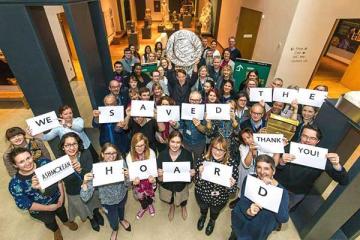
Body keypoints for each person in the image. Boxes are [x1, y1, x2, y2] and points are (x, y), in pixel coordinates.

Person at [8, 147, 78, 240]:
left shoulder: (45, 163)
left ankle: (66, 222)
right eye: (21, 162)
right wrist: (48, 208)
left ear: (32, 155)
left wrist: (61, 195)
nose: (27, 163)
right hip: (40, 209)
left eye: (28, 158)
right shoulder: (15, 184)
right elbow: (25, 204)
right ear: (15, 165)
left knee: (62, 212)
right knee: (49, 221)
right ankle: (56, 230)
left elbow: (58, 179)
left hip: (57, 198)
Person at [275, 124, 348, 210]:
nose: (307, 140)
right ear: (300, 136)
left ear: (317, 141)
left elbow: (344, 181)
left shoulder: (322, 156)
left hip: (296, 194)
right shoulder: (288, 147)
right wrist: (281, 161)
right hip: (277, 185)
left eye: (312, 138)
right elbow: (272, 167)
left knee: (281, 213)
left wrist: (336, 165)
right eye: (304, 136)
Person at [229, 155, 289, 240]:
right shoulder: (249, 179)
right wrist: (248, 211)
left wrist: (274, 192)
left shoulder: (281, 192)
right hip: (240, 221)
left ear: (274, 171)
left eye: (266, 168)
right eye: (259, 167)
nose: (262, 172)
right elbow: (242, 200)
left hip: (258, 230)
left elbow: (283, 218)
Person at [81, 143, 131, 240]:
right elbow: (85, 197)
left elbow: (128, 185)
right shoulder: (96, 169)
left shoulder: (121, 162)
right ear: (102, 154)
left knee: (121, 210)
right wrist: (85, 183)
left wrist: (128, 177)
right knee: (112, 218)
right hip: (107, 202)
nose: (111, 156)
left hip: (122, 195)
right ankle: (115, 229)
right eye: (108, 153)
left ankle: (122, 219)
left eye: (114, 153)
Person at [58, 132, 103, 231]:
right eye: (67, 145)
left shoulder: (86, 153)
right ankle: (91, 219)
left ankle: (96, 213)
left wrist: (80, 170)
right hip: (74, 191)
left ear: (78, 144)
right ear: (63, 147)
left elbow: (90, 174)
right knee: (84, 208)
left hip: (89, 187)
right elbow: (65, 180)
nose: (71, 147)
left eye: (74, 144)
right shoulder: (60, 161)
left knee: (93, 202)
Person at [194, 136, 239, 236]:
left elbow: (232, 192)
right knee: (203, 207)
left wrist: (231, 186)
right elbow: (196, 182)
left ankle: (212, 221)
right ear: (211, 147)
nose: (218, 152)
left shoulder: (232, 165)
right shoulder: (203, 159)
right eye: (215, 148)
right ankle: (203, 216)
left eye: (221, 150)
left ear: (226, 151)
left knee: (215, 211)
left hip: (220, 197)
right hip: (202, 193)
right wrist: (200, 175)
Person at [157, 131, 195, 221]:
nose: (175, 145)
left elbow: (190, 175)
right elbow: (159, 178)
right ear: (168, 141)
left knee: (183, 197)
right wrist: (159, 175)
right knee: (170, 198)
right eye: (172, 141)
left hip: (181, 185)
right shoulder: (162, 155)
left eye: (178, 142)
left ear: (181, 143)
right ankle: (172, 207)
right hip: (167, 185)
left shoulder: (187, 155)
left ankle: (183, 206)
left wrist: (191, 175)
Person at [126, 133, 157, 219]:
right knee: (141, 198)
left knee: (150, 196)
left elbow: (153, 170)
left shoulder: (151, 153)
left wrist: (153, 178)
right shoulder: (129, 156)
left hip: (149, 182)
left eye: (142, 145)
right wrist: (132, 180)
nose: (140, 148)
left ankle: (150, 205)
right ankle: (144, 207)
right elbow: (131, 173)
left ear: (145, 144)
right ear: (133, 146)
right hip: (138, 183)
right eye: (137, 146)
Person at [180, 91, 209, 162]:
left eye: (197, 100)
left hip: (199, 142)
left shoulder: (204, 112)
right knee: (186, 161)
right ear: (189, 100)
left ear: (201, 100)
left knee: (198, 162)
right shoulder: (184, 110)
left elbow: (206, 131)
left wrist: (199, 125)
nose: (194, 102)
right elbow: (181, 126)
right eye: (192, 100)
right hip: (186, 141)